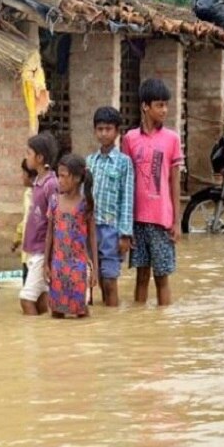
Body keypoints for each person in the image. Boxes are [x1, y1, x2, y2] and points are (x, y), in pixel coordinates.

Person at [121, 78, 183, 306]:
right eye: (159, 105)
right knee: (141, 276)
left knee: (162, 277)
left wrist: (176, 222)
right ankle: (141, 328)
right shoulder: (129, 139)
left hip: (161, 221)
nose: (164, 110)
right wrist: (125, 225)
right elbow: (127, 183)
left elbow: (174, 182)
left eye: (166, 105)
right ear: (145, 106)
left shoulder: (172, 139)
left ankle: (163, 327)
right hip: (137, 220)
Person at [86, 106, 134, 307]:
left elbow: (127, 199)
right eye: (100, 129)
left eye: (108, 129)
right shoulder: (89, 162)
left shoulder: (124, 163)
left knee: (109, 279)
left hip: (111, 229)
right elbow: (83, 196)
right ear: (95, 131)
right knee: (89, 278)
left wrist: (125, 234)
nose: (104, 133)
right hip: (89, 228)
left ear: (117, 132)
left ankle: (112, 316)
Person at [46, 154, 98, 318]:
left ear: (76, 178)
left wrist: (95, 269)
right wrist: (46, 264)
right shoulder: (54, 201)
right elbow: (50, 235)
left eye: (63, 176)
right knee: (56, 311)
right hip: (58, 266)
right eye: (58, 175)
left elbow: (92, 238)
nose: (59, 180)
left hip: (79, 268)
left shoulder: (85, 204)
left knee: (81, 311)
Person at [19, 133, 59, 316]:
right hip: (35, 251)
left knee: (26, 299)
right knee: (43, 299)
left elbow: (55, 220)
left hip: (43, 251)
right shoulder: (37, 183)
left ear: (40, 158)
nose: (26, 157)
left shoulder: (51, 184)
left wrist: (50, 256)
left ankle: (31, 339)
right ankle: (47, 338)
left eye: (29, 153)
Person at [11, 159, 35, 285]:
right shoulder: (27, 194)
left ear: (31, 176)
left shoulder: (41, 195)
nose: (21, 177)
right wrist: (17, 238)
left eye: (23, 173)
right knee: (27, 293)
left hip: (36, 254)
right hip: (26, 253)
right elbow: (25, 220)